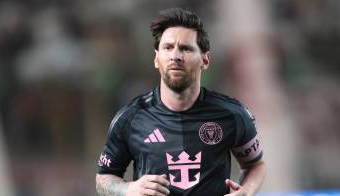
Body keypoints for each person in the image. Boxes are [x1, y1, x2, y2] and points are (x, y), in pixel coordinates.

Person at [96, 7, 266, 196]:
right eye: (168, 48)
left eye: (185, 48)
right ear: (156, 58)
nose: (175, 56)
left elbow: (255, 165)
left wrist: (246, 191)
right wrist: (127, 189)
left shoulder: (232, 114)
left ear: (205, 59)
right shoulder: (130, 118)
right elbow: (104, 177)